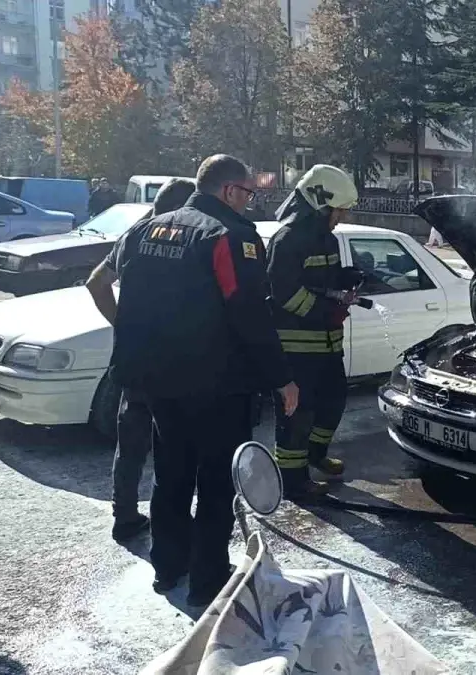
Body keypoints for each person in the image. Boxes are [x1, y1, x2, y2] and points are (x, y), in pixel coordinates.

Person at [90, 154, 299, 606]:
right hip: (215, 385)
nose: (249, 201)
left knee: (171, 474)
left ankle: (168, 567)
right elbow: (249, 315)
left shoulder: (145, 230)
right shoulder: (231, 235)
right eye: (248, 192)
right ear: (228, 191)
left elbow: (113, 291)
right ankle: (208, 579)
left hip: (156, 382)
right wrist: (282, 378)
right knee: (216, 482)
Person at [87, 177, 196, 542]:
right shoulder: (193, 237)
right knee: (176, 442)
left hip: (134, 359)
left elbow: (96, 284)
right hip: (176, 362)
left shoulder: (134, 236)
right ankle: (175, 521)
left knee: (130, 441)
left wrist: (123, 323)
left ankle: (125, 515)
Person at [266, 165, 362, 501]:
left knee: (333, 402)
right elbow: (284, 293)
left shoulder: (328, 240)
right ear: (320, 205)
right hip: (296, 347)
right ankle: (293, 481)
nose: (341, 217)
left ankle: (316, 455)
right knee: (298, 414)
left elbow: (324, 283)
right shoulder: (287, 240)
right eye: (338, 211)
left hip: (327, 343)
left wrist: (346, 279)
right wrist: (327, 312)